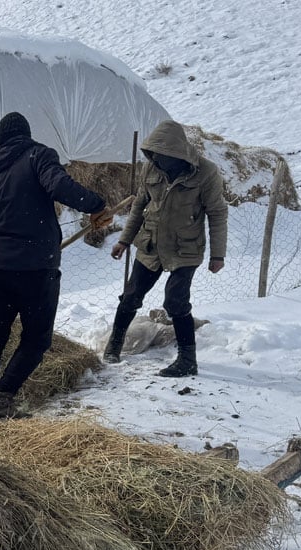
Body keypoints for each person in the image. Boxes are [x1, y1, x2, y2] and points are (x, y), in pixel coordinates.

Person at [0, 111, 112, 419]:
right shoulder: (38, 155)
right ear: (25, 135)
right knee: (37, 339)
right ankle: (1, 399)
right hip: (35, 269)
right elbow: (60, 186)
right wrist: (96, 205)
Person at [105, 119, 227, 377]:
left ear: (178, 152)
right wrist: (124, 240)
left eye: (163, 155)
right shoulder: (151, 168)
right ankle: (114, 345)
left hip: (185, 248)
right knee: (131, 296)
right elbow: (139, 205)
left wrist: (218, 255)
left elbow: (217, 213)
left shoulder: (205, 172)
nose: (158, 160)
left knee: (175, 301)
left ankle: (187, 360)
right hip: (150, 243)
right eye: (154, 154)